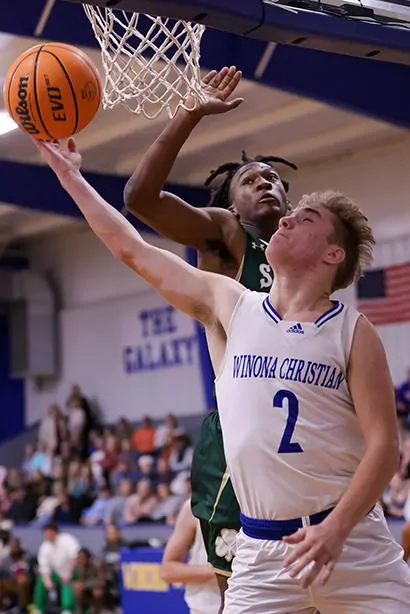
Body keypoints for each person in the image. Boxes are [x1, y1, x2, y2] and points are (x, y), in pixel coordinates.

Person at [35, 136, 410, 612]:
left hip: (352, 543)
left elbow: (384, 447)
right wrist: (69, 176)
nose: (287, 218)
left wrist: (335, 530)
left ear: (333, 255)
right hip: (263, 552)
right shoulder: (230, 304)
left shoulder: (353, 331)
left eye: (306, 219)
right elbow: (130, 248)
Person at [123, 65, 296, 606]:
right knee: (242, 593)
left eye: (274, 179)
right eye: (251, 180)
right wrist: (190, 112)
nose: (265, 182)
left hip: (303, 428)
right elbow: (140, 197)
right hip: (239, 432)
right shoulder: (228, 237)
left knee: (310, 586)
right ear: (231, 205)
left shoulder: (311, 264)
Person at [160, 499, 220, 614]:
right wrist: (220, 572)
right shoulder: (195, 506)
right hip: (206, 608)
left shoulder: (253, 503)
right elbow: (167, 570)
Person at [33, 522, 80, 614]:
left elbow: (75, 558)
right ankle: (39, 609)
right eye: (45, 533)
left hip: (71, 571)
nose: (48, 535)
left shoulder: (67, 540)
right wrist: (47, 580)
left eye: (50, 532)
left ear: (55, 532)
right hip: (56, 573)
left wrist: (68, 573)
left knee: (67, 582)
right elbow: (44, 566)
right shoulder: (44, 547)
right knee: (41, 580)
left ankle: (67, 609)